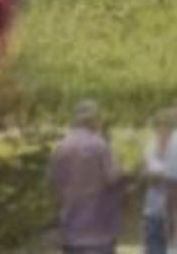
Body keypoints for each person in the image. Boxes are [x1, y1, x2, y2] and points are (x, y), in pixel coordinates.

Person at [48, 100, 123, 254]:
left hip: (70, 229)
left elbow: (53, 181)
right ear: (94, 120)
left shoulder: (62, 146)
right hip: (97, 229)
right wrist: (121, 169)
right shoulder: (100, 145)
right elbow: (112, 177)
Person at [140, 107, 177, 254]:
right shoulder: (149, 146)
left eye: (165, 127)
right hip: (153, 209)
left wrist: (162, 177)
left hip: (173, 210)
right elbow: (144, 172)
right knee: (153, 247)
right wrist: (146, 175)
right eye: (157, 127)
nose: (161, 132)